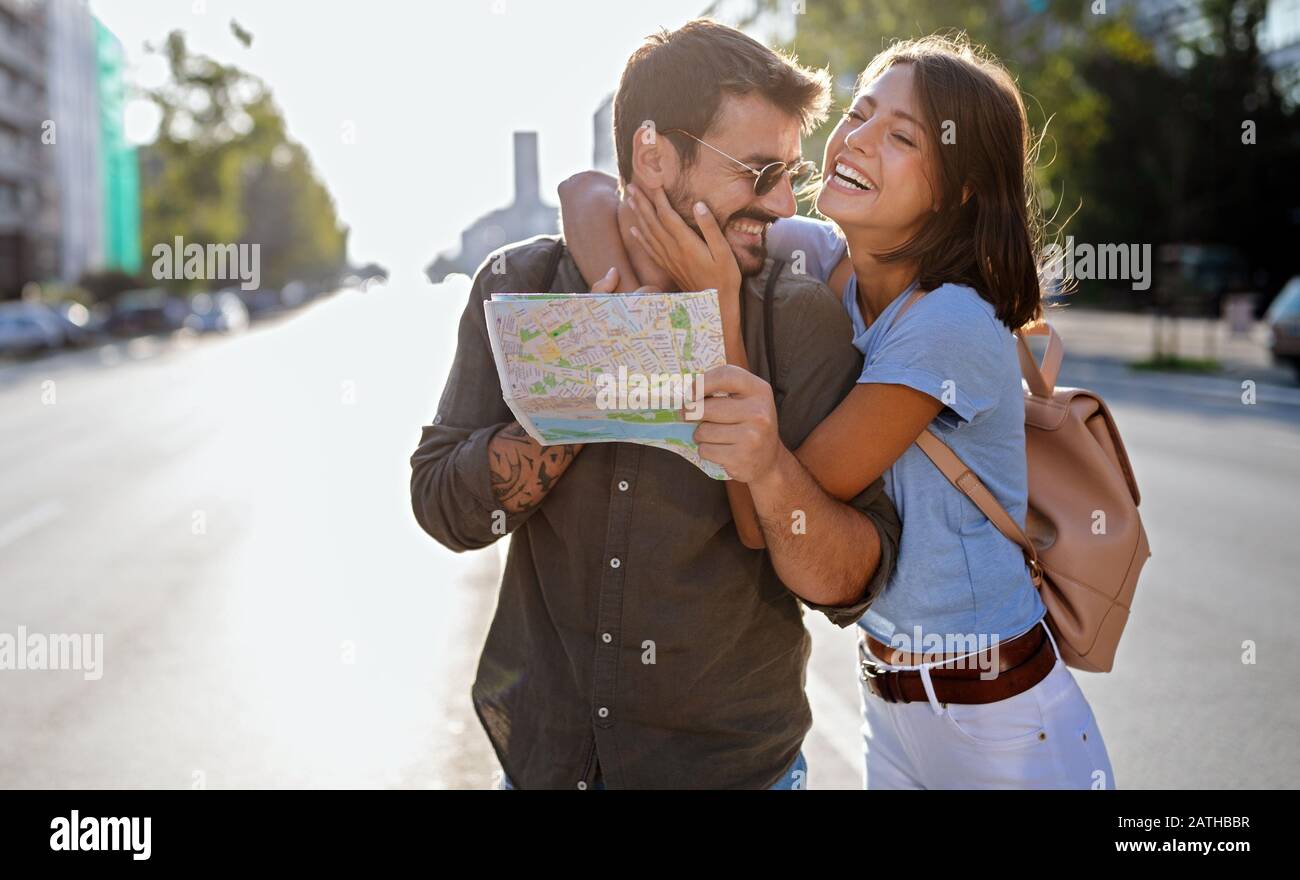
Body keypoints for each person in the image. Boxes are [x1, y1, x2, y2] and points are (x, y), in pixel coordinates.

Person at [559, 33, 1115, 789]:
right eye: (859, 114)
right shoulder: (822, 258)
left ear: (956, 190)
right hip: (890, 706)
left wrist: (716, 304)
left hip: (1001, 721)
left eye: (902, 136)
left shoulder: (946, 326)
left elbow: (765, 515)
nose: (856, 141)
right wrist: (636, 307)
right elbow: (590, 192)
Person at [410, 18, 900, 790]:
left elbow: (849, 583)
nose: (780, 204)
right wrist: (593, 375)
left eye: (790, 175)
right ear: (653, 153)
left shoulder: (796, 318)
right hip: (545, 766)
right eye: (757, 170)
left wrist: (769, 467)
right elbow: (444, 509)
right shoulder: (520, 287)